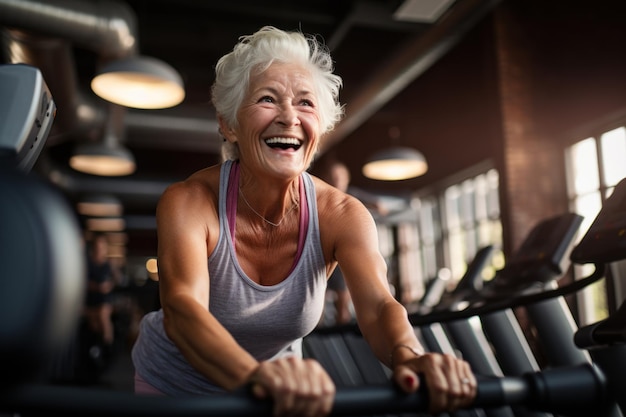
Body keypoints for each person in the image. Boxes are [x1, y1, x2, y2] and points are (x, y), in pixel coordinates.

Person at [131, 26, 476, 416]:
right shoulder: (189, 201)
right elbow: (182, 309)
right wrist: (257, 378)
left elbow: (379, 305)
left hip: (279, 391)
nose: (289, 117)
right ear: (229, 125)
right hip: (176, 386)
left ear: (320, 130)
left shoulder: (341, 215)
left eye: (305, 103)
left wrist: (409, 356)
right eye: (267, 99)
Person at [318, 160, 354, 325]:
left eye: (339, 176)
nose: (336, 180)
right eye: (333, 176)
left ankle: (343, 332)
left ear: (346, 179)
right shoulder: (320, 199)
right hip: (321, 254)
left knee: (342, 302)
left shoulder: (352, 202)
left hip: (343, 257)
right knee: (318, 301)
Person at [84, 233, 119, 346]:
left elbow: (115, 281)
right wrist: (97, 287)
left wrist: (108, 285)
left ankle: (107, 346)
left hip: (104, 301)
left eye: (102, 245)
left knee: (103, 314)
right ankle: (94, 349)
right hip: (90, 300)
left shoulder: (109, 265)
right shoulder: (87, 263)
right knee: (93, 324)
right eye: (98, 245)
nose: (100, 248)